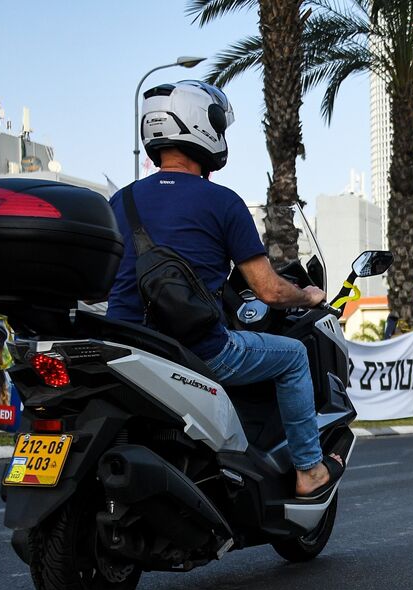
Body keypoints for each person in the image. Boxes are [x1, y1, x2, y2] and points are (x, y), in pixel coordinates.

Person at [107, 80, 339, 499]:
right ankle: (309, 469)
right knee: (293, 356)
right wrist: (308, 296)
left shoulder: (120, 202)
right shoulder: (222, 202)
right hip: (198, 351)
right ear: (204, 127)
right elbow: (268, 291)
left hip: (125, 345)